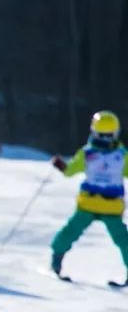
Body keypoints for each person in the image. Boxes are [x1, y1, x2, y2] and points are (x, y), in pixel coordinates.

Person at [50, 110, 128, 284]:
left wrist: (61, 166)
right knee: (123, 239)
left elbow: (70, 171)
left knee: (70, 231)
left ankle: (56, 258)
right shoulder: (122, 155)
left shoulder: (87, 153)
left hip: (88, 205)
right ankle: (56, 259)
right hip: (111, 207)